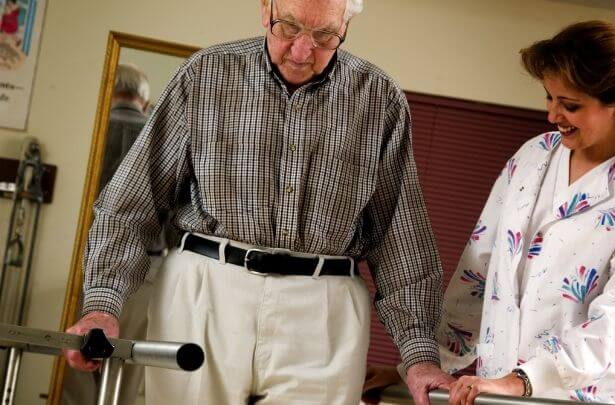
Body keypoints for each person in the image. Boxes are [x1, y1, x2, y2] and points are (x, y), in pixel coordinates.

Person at [64, 0, 453, 403]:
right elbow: (131, 203)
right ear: (264, 8)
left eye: (325, 36)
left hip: (323, 310)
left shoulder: (379, 99)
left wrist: (419, 355)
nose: (302, 52)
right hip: (204, 294)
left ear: (347, 26)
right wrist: (102, 305)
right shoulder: (204, 74)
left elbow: (401, 238)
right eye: (287, 27)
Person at [365, 20, 615, 405]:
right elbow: (478, 277)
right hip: (501, 391)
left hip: (597, 395)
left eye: (570, 105)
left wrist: (524, 380)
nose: (553, 115)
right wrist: (419, 368)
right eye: (549, 98)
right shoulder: (533, 156)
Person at [62, 63, 157, 405]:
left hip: (82, 263)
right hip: (146, 273)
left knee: (75, 376)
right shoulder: (155, 136)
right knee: (125, 377)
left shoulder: (89, 126)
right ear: (144, 103)